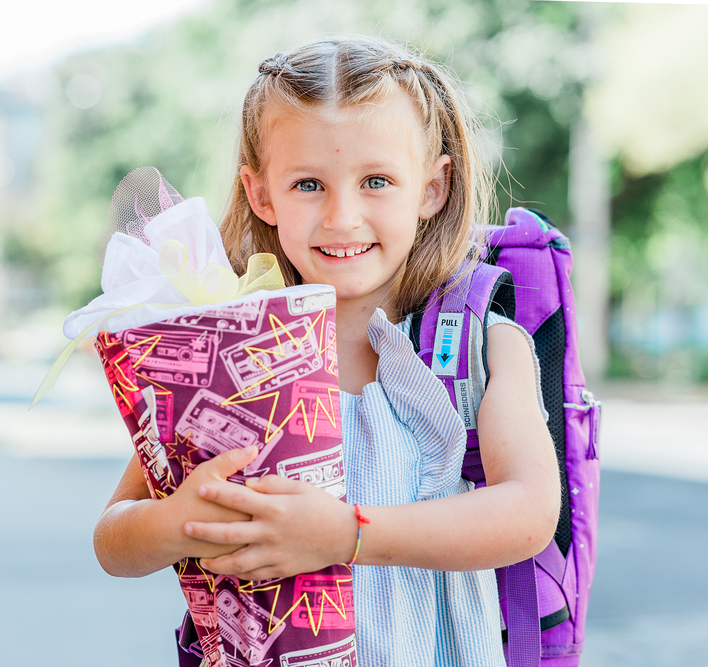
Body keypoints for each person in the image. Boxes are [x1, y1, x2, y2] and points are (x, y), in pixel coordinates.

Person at [93, 36, 560, 666]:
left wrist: (348, 534)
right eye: (309, 184)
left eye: (376, 181)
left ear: (432, 188)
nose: (342, 217)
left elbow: (530, 511)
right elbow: (113, 539)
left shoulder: (481, 345)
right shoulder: (228, 347)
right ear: (261, 194)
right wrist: (180, 521)